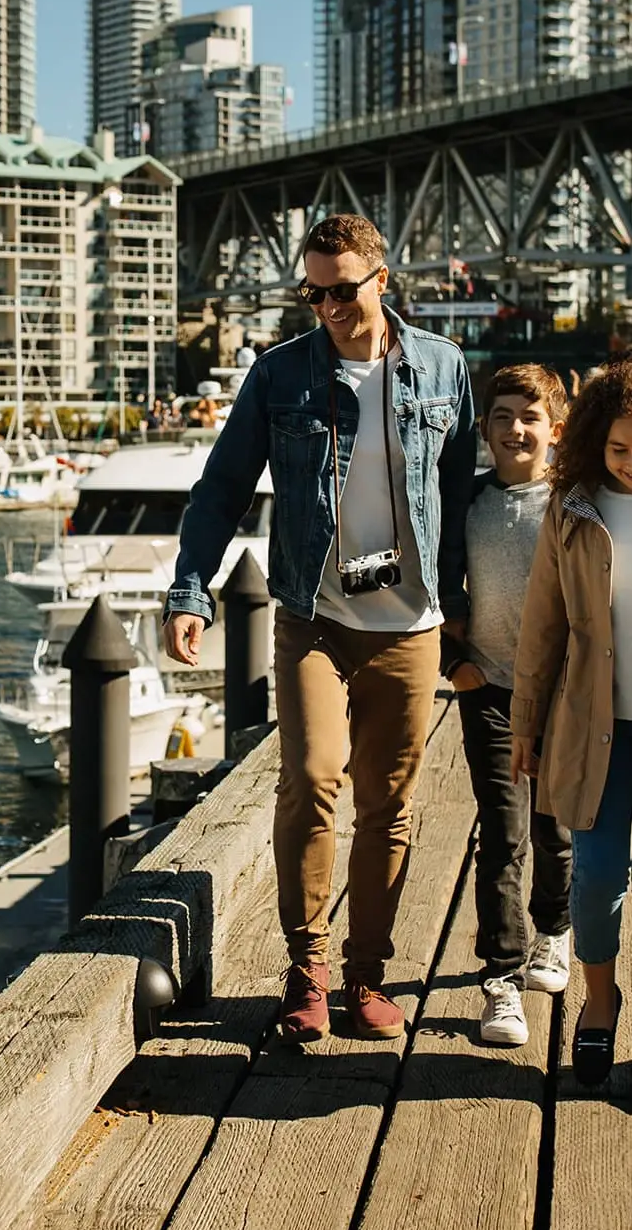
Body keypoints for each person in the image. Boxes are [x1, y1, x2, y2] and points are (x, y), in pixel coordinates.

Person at [164, 213, 476, 1043]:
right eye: (314, 291)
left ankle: (366, 976)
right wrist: (190, 591)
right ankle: (306, 970)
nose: (329, 305)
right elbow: (221, 487)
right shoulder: (278, 375)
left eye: (343, 289)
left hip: (409, 622)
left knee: (389, 805)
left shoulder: (442, 368)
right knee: (309, 778)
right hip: (315, 616)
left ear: (382, 279)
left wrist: (475, 611)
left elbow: (462, 493)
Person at [441, 366, 572, 1047]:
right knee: (502, 830)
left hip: (562, 693)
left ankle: (553, 929)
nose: (514, 429)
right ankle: (501, 976)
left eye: (528, 416)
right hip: (487, 687)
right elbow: (435, 585)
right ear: (483, 429)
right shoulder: (465, 502)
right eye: (499, 416)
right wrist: (452, 664)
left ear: (555, 428)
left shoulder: (572, 502)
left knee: (555, 827)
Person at [512, 361, 632, 1085]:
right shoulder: (572, 508)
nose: (631, 463)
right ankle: (598, 1000)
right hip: (597, 729)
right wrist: (524, 723)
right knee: (592, 877)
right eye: (619, 450)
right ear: (594, 443)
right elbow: (541, 626)